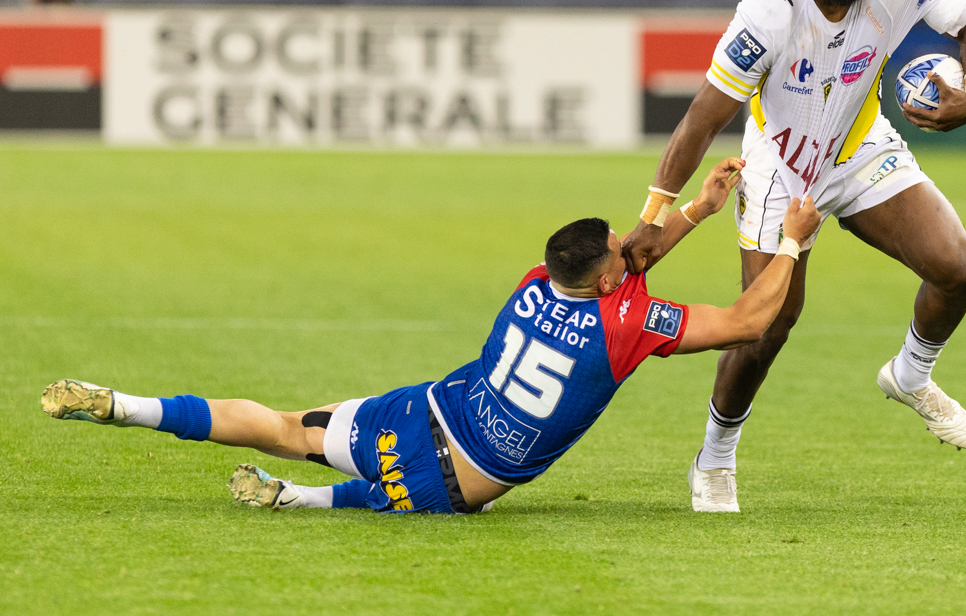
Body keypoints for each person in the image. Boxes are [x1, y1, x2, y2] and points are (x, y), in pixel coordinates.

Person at [41, 159, 821, 515]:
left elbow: (625, 260)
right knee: (370, 497)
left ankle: (129, 404)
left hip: (428, 410)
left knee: (286, 426)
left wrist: (695, 211)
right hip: (459, 479)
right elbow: (751, 322)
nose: (631, 244)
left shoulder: (535, 281)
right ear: (612, 279)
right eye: (623, 248)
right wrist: (789, 241)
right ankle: (304, 503)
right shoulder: (626, 326)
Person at [622, 0, 966, 513]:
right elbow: (700, 121)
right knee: (766, 326)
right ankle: (714, 458)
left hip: (859, 146)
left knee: (956, 267)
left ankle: (910, 377)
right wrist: (654, 217)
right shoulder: (768, 12)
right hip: (780, 166)